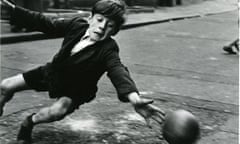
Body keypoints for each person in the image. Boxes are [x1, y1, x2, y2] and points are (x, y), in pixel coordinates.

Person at [0, 0, 165, 143]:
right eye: (100, 20)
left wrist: (134, 98)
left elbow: (118, 71)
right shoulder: (77, 25)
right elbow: (46, 23)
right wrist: (15, 12)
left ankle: (29, 122)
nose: (102, 27)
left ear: (114, 31)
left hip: (76, 89)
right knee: (6, 85)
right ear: (90, 18)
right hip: (52, 73)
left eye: (110, 26)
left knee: (57, 111)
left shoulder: (109, 49)